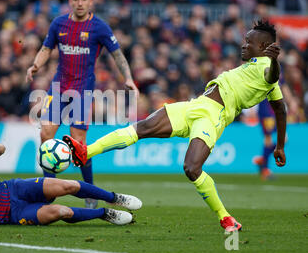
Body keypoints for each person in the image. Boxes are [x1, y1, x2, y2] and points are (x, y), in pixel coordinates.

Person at [63, 20, 287, 232]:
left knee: (191, 168)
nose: (243, 45)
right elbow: (280, 109)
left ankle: (225, 217)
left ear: (264, 46)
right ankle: (85, 152)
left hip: (212, 116)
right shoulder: (254, 66)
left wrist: (274, 61)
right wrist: (279, 146)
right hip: (196, 105)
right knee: (141, 128)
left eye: (249, 41)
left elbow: (272, 78)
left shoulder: (267, 67)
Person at [26, 0, 139, 209]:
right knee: (45, 135)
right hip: (58, 88)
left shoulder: (99, 27)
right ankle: (49, 190)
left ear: (91, 1)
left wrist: (128, 77)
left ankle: (90, 191)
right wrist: (35, 65)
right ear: (70, 2)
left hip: (82, 91)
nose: (79, 3)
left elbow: (117, 55)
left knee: (79, 144)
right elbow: (46, 48)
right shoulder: (58, 24)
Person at [0, 137, 142, 226]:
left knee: (68, 185)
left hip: (15, 189)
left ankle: (114, 198)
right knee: (62, 212)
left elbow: (1, 150)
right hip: (13, 215)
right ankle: (104, 214)